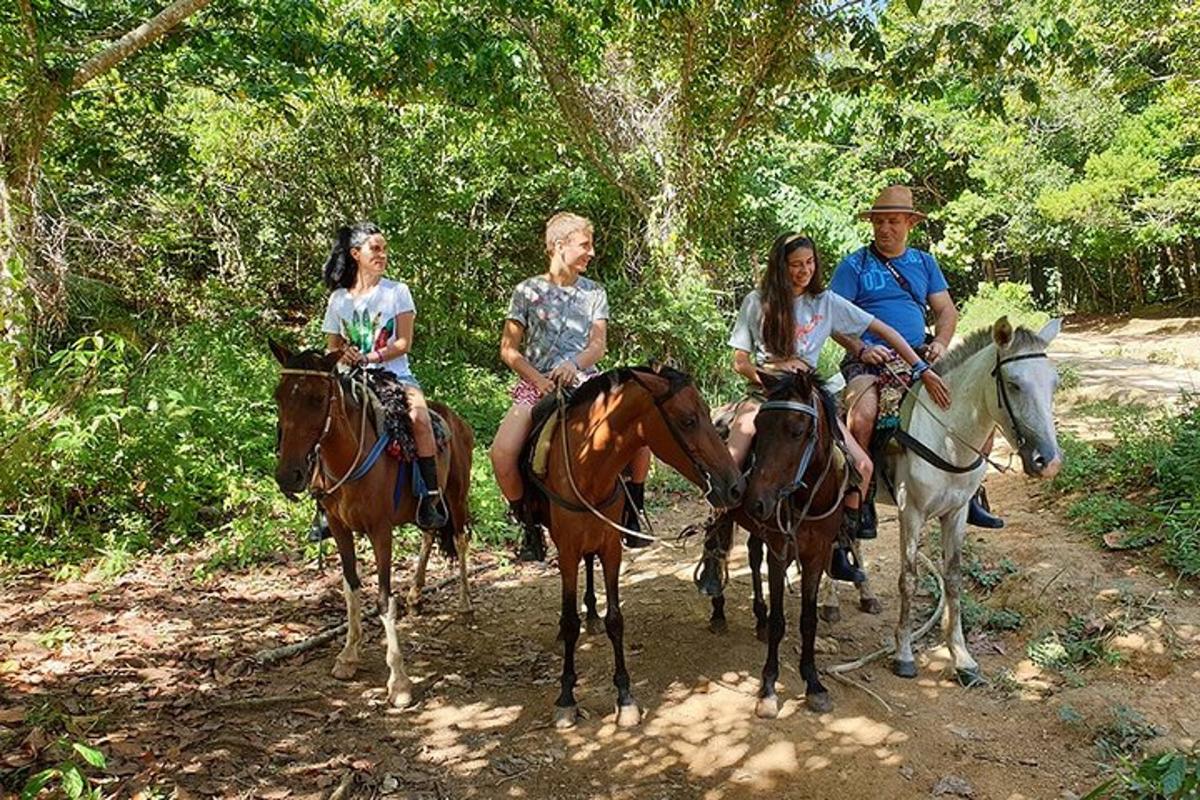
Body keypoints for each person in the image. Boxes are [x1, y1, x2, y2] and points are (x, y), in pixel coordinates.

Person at [712, 232, 949, 582]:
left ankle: (841, 546)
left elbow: (884, 330)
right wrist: (772, 375)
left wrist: (921, 369)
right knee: (730, 461)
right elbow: (740, 362)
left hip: (810, 396)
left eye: (809, 263)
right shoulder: (757, 301)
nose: (804, 271)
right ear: (780, 266)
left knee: (862, 465)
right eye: (795, 265)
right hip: (765, 393)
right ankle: (715, 540)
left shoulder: (826, 302)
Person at [830, 185, 1004, 535]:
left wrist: (940, 343)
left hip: (921, 354)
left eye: (893, 221)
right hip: (868, 359)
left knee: (976, 409)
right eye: (878, 222)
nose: (884, 229)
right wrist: (862, 349)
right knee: (863, 415)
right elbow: (832, 318)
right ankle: (859, 499)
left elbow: (945, 311)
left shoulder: (924, 262)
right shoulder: (854, 265)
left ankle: (970, 494)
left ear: (910, 222)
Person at [489, 212, 652, 562]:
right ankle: (528, 524)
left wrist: (573, 364)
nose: (591, 253)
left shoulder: (594, 292)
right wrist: (540, 380)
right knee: (501, 453)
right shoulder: (527, 291)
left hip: (587, 381)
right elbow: (508, 349)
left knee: (640, 433)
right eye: (584, 245)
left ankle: (633, 509)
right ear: (560, 246)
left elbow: (597, 345)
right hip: (537, 384)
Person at [313, 221, 449, 532]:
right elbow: (332, 345)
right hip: (350, 379)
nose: (382, 254)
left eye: (385, 249)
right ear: (355, 254)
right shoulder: (338, 299)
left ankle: (429, 497)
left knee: (420, 419)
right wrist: (343, 354)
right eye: (376, 249)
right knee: (319, 421)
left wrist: (371, 356)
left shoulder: (397, 292)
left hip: (394, 375)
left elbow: (403, 342)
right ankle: (322, 501)